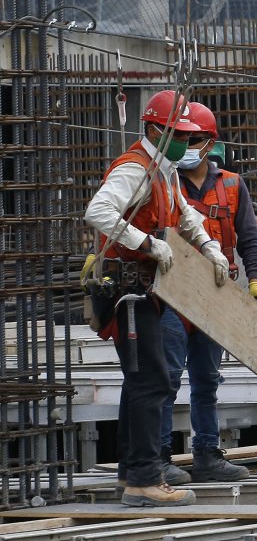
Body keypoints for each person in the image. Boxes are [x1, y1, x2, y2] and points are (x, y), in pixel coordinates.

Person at [83, 90, 230, 507]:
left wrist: (209, 247)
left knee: (142, 381)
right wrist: (145, 243)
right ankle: (145, 480)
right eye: (178, 133)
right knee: (152, 382)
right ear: (153, 130)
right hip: (129, 290)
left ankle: (132, 471)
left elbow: (185, 213)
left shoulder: (162, 169)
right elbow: (99, 212)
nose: (185, 142)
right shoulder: (135, 169)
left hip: (147, 290)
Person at [158, 102, 257, 485]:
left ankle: (207, 454)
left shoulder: (230, 184)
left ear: (208, 143)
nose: (184, 146)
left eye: (192, 139)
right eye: (180, 138)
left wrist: (256, 281)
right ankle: (159, 457)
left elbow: (251, 240)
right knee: (167, 378)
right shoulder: (162, 183)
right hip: (172, 297)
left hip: (216, 296)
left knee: (207, 379)